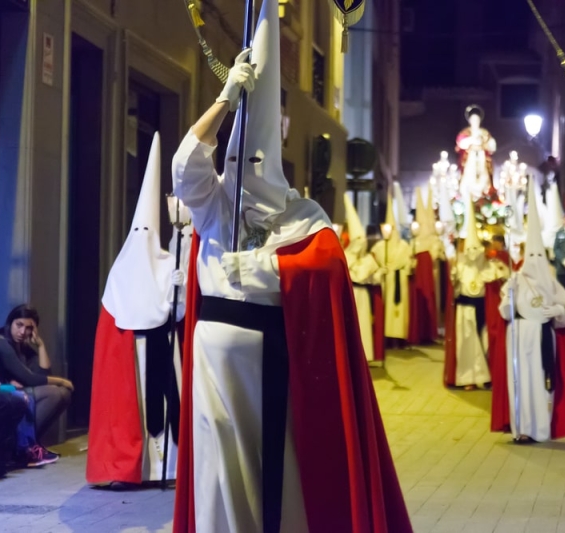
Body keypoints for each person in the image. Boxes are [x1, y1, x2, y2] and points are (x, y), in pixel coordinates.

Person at [170, 1, 412, 531]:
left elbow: (324, 267)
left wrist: (262, 273)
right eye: (237, 160)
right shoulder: (212, 204)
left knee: (274, 474)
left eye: (256, 162)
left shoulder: (303, 215)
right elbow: (184, 164)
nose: (245, 172)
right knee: (218, 470)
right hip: (214, 360)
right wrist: (225, 97)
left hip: (274, 361)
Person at [87, 132, 188, 486]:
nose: (145, 235)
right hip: (133, 356)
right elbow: (112, 323)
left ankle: (167, 470)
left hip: (162, 351)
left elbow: (178, 314)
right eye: (140, 229)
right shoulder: (121, 270)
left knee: (163, 411)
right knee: (134, 413)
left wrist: (180, 286)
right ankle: (130, 468)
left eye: (150, 229)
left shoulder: (166, 261)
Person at [496, 181, 565, 442]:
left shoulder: (552, 282)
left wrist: (556, 312)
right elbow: (505, 314)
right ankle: (521, 429)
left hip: (543, 338)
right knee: (519, 382)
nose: (537, 263)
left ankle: (542, 428)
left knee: (542, 383)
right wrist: (508, 300)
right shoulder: (515, 281)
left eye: (541, 257)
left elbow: (564, 319)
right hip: (519, 338)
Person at [443, 200, 503, 390]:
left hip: (483, 309)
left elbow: (498, 279)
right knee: (468, 343)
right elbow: (454, 288)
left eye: (476, 249)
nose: (473, 252)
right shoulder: (460, 267)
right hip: (465, 309)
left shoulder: (488, 266)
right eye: (470, 249)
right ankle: (468, 377)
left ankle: (486, 377)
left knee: (485, 341)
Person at [0, 305, 73, 442]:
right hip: (0, 394)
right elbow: (30, 379)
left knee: (63, 394)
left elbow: (43, 373)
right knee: (56, 392)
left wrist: (40, 346)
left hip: (18, 393)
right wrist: (62, 381)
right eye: (19, 325)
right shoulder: (1, 343)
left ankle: (28, 444)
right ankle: (20, 444)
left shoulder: (22, 347)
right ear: (10, 322)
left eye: (29, 328)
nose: (23, 332)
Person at [343, 192, 385, 362]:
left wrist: (379, 274)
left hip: (363, 295)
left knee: (364, 324)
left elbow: (368, 278)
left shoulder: (368, 259)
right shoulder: (345, 256)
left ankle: (365, 354)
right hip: (351, 293)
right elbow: (357, 275)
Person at [371, 191, 413, 348]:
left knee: (400, 311)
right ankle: (387, 337)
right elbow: (374, 261)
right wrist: (382, 269)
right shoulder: (380, 247)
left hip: (399, 281)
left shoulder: (404, 246)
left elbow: (408, 263)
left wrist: (407, 268)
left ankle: (400, 337)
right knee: (387, 310)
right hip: (387, 281)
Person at [408, 187, 439, 345]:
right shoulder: (413, 243)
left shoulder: (433, 243)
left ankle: (428, 332)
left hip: (428, 281)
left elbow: (436, 260)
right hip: (417, 282)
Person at [455, 105, 497, 201]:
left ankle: (483, 195)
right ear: (470, 121)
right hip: (470, 159)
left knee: (483, 178)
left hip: (482, 158)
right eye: (473, 120)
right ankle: (468, 195)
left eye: (477, 120)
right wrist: (472, 140)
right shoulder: (465, 132)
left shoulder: (484, 133)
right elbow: (461, 143)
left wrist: (484, 144)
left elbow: (492, 145)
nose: (475, 122)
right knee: (469, 177)